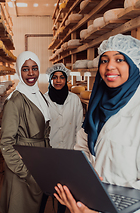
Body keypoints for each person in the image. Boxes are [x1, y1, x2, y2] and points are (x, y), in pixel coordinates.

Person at [54, 34, 140, 213]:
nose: (109, 66)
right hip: (87, 203)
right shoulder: (97, 107)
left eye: (119, 59)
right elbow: (83, 150)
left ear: (134, 65)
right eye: (104, 60)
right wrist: (83, 179)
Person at [0, 51, 51, 213]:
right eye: (25, 69)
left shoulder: (39, 95)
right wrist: (26, 173)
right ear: (19, 72)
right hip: (23, 170)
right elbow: (6, 143)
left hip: (39, 162)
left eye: (34, 68)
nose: (31, 73)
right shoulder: (15, 101)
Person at [39, 63, 84, 213]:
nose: (58, 81)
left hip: (68, 151)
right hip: (49, 152)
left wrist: (77, 151)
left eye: (62, 77)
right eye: (55, 77)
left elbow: (79, 127)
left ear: (66, 79)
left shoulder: (75, 100)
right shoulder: (43, 100)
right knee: (46, 188)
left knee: (64, 190)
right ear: (50, 80)